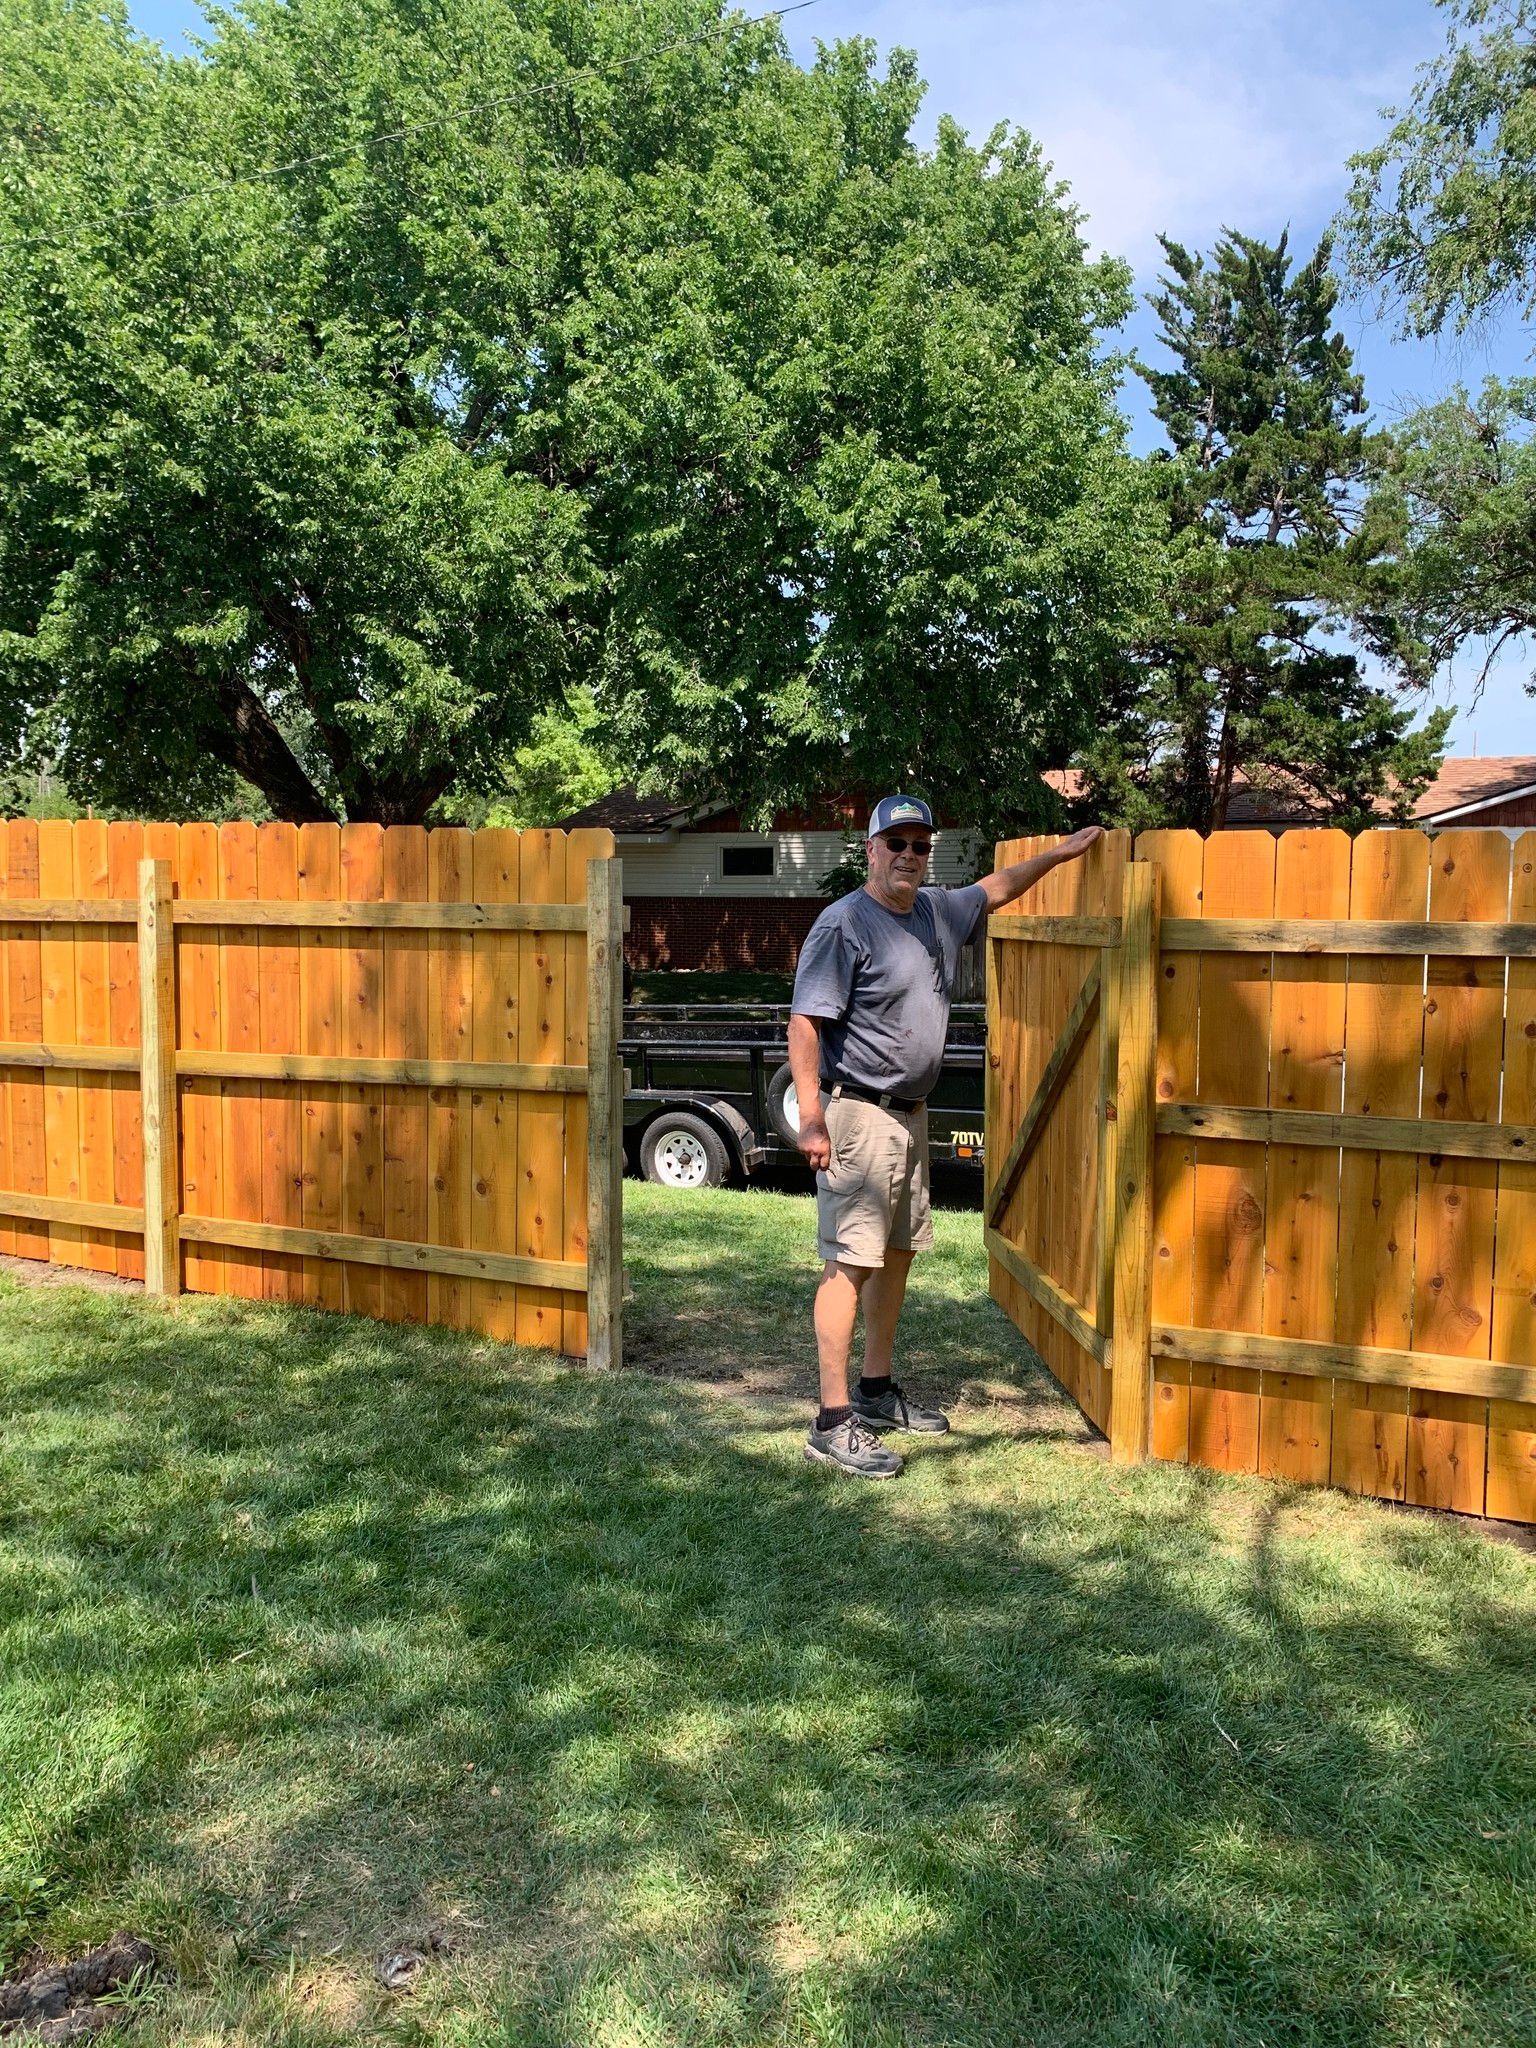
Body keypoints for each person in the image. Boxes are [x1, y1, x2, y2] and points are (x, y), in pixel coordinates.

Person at [788, 796, 1104, 1478]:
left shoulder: (935, 911)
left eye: (920, 844)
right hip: (858, 1114)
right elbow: (806, 1023)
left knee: (895, 1254)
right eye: (895, 841)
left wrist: (1061, 854)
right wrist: (811, 1117)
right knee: (851, 1261)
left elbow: (995, 888)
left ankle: (874, 1392)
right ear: (870, 849)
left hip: (910, 1115)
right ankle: (832, 1420)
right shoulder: (843, 925)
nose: (908, 854)